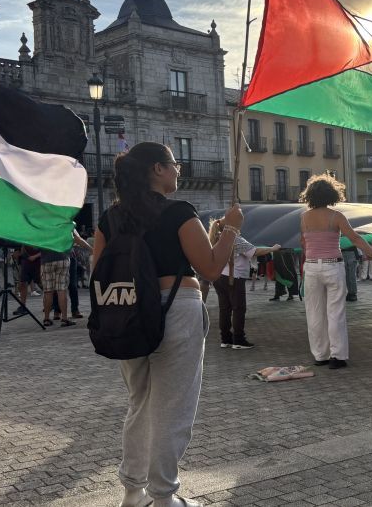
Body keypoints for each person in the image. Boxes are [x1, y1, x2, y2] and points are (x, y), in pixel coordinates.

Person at [92, 142, 241, 507]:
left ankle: (133, 491)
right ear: (157, 169)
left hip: (127, 313)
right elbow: (208, 268)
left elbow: (99, 273)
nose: (179, 170)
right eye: (174, 164)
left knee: (140, 402)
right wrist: (232, 230)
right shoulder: (178, 212)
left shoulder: (109, 219)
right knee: (172, 407)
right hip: (177, 309)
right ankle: (164, 497)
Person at [299, 173, 372, 369]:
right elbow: (356, 239)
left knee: (314, 313)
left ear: (310, 196)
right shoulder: (336, 216)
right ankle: (337, 357)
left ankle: (320, 355)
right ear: (332, 194)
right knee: (335, 313)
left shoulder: (305, 217)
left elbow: (304, 243)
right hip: (333, 266)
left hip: (312, 267)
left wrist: (306, 266)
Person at [207, 219, 280, 350]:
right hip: (234, 277)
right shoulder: (234, 239)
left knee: (224, 309)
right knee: (238, 309)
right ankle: (239, 340)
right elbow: (254, 251)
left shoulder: (215, 238)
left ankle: (225, 339)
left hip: (219, 277)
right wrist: (273, 248)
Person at [14, 245, 41, 315]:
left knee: (41, 283)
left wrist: (34, 256)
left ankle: (52, 302)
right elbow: (18, 250)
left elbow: (44, 249)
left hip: (38, 261)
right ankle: (23, 306)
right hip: (25, 261)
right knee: (22, 283)